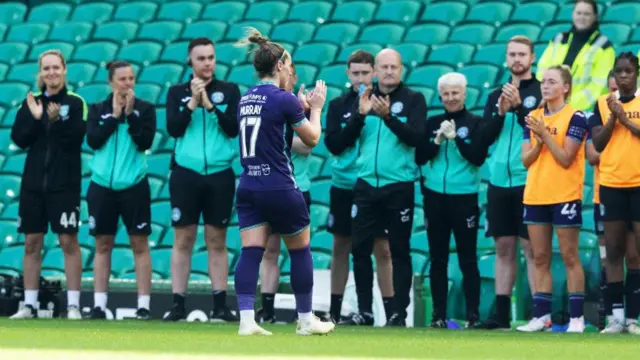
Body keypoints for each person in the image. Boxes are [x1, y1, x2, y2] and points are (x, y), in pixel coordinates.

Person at [232, 27, 335, 336]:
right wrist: (315, 109)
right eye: (289, 65)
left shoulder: (246, 97)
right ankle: (306, 320)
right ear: (278, 66)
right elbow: (312, 139)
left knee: (251, 253)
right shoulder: (284, 99)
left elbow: (274, 133)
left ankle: (247, 321)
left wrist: (296, 108)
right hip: (279, 186)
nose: (291, 71)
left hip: (248, 186)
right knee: (300, 250)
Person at [164, 37, 241, 322]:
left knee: (216, 240)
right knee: (183, 239)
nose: (207, 63)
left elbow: (233, 129)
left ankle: (220, 305)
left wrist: (209, 104)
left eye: (211, 58)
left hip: (219, 174)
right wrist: (192, 104)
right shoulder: (176, 93)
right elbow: (173, 129)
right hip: (186, 174)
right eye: (201, 59)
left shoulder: (230, 90)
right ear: (190, 62)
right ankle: (177, 304)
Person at [351, 48, 427, 326]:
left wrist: (388, 118)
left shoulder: (414, 100)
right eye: (383, 67)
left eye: (394, 66)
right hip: (366, 184)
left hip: (399, 185)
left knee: (399, 249)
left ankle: (398, 312)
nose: (389, 71)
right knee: (359, 249)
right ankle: (364, 310)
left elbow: (417, 139)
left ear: (401, 69)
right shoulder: (363, 99)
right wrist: (360, 116)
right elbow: (340, 142)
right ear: (375, 70)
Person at [9, 50, 86, 320]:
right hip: (33, 185)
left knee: (68, 241)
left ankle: (74, 305)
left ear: (64, 70)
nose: (51, 73)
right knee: (31, 242)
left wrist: (51, 120)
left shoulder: (76, 103)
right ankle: (29, 305)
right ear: (40, 73)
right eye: (46, 68)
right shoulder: (30, 102)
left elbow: (76, 137)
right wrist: (38, 117)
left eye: (56, 67)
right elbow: (19, 138)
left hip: (64, 184)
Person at [516, 65, 588, 333]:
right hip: (536, 194)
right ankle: (541, 316)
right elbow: (525, 160)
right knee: (540, 256)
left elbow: (567, 158)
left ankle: (577, 318)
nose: (544, 86)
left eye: (551, 82)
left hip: (565, 194)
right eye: (543, 82)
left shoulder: (576, 117)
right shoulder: (533, 117)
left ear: (565, 88)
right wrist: (538, 141)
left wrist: (545, 135)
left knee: (570, 255)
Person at [325, 50, 394, 326]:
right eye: (356, 73)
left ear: (374, 72)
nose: (361, 78)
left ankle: (392, 313)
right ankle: (335, 309)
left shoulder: (386, 104)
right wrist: (359, 117)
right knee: (341, 246)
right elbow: (334, 145)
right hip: (344, 185)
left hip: (375, 186)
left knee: (382, 249)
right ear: (347, 73)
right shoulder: (338, 105)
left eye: (366, 73)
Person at [416, 72, 490, 328]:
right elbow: (421, 157)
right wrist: (437, 139)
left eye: (455, 93)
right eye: (446, 94)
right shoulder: (432, 122)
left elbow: (477, 157)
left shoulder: (476, 122)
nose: (451, 98)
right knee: (438, 258)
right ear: (440, 96)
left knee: (467, 258)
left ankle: (472, 315)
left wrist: (457, 137)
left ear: (464, 94)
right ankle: (438, 315)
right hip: (435, 197)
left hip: (464, 198)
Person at [475, 36, 539, 330]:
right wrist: (501, 111)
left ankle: (541, 313)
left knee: (532, 248)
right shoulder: (494, 96)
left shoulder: (540, 92)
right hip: (499, 180)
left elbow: (543, 129)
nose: (516, 59)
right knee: (503, 247)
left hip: (531, 179)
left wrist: (518, 108)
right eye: (512, 54)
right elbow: (484, 139)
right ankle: (501, 315)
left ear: (532, 57)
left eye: (522, 54)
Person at [85, 61, 156, 320]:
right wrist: (114, 116)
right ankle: (99, 305)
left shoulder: (145, 109)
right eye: (123, 79)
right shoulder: (97, 109)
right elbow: (93, 140)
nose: (128, 83)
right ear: (111, 82)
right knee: (103, 244)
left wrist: (130, 114)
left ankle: (144, 305)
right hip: (102, 186)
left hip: (134, 185)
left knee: (140, 243)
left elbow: (144, 142)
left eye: (131, 78)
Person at [255, 62, 314, 324]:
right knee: (269, 251)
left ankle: (304, 312)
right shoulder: (269, 104)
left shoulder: (297, 107)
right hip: (271, 185)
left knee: (299, 251)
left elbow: (306, 146)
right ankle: (266, 309)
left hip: (298, 186)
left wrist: (309, 111)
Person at [588, 53, 640, 335]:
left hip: (639, 185)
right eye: (619, 71)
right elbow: (597, 144)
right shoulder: (602, 104)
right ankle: (616, 317)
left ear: (637, 73)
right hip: (612, 184)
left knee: (636, 254)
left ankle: (633, 318)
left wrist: (625, 119)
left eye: (628, 71)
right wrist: (612, 119)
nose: (623, 76)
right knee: (614, 251)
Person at [536, 0, 615, 111]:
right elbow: (542, 71)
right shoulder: (559, 39)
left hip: (584, 112)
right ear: (573, 14)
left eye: (586, 14)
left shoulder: (604, 47)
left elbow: (599, 87)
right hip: (551, 106)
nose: (581, 17)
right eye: (578, 13)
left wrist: (566, 106)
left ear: (595, 16)